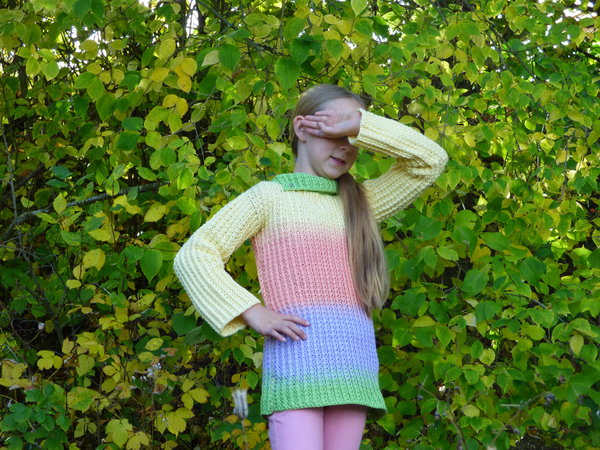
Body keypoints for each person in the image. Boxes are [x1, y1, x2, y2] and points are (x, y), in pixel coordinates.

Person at [173, 84, 448, 450]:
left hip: (353, 372)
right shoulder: (269, 198)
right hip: (296, 369)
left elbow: (430, 161)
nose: (346, 146)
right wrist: (251, 311)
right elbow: (195, 254)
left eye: (352, 138)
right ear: (302, 128)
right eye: (334, 133)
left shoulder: (360, 203)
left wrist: (361, 124)